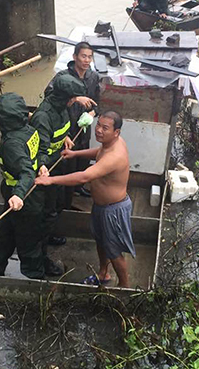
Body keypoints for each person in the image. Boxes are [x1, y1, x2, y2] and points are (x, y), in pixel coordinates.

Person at [35, 111, 134, 288]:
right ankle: (103, 274)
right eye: (98, 125)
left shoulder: (115, 155)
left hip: (113, 209)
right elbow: (98, 153)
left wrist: (50, 180)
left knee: (114, 250)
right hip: (101, 207)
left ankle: (124, 289)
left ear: (116, 132)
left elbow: (84, 177)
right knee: (101, 241)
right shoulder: (109, 145)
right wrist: (76, 154)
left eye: (105, 128)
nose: (99, 130)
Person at [30, 74, 91, 275]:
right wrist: (43, 167)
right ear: (64, 97)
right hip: (45, 171)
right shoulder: (43, 116)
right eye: (72, 98)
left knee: (56, 206)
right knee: (45, 214)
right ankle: (40, 260)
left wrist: (65, 137)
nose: (74, 101)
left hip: (57, 164)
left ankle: (49, 235)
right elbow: (40, 149)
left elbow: (61, 128)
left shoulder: (62, 108)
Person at [0, 93, 45, 278]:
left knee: (28, 242)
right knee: (3, 235)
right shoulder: (29, 129)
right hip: (19, 194)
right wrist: (41, 164)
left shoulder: (12, 144)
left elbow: (26, 172)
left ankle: (35, 279)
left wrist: (18, 194)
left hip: (24, 197)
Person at [44, 41, 100, 211]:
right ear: (75, 57)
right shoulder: (63, 77)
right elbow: (49, 97)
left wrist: (92, 114)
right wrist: (75, 98)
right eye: (83, 56)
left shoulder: (93, 77)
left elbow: (97, 103)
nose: (87, 60)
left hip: (83, 127)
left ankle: (78, 187)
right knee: (68, 164)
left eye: (90, 57)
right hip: (66, 128)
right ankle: (65, 202)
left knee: (82, 160)